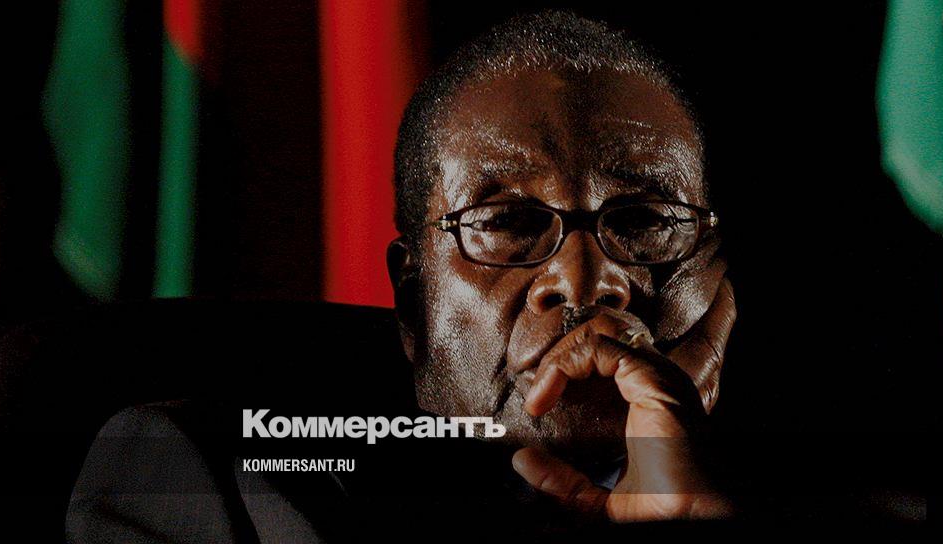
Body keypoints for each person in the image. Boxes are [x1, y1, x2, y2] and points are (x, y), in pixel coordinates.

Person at [65, 11, 738, 542]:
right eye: (507, 222)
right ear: (414, 301)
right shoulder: (215, 473)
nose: (586, 279)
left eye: (646, 221)